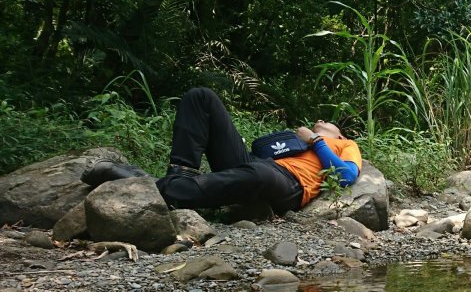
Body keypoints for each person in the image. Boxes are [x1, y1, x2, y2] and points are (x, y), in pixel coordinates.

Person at [82, 87, 362, 215]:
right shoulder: (299, 139)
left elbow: (347, 175)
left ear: (339, 134)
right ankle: (179, 175)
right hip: (255, 164)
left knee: (258, 175)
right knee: (201, 97)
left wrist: (316, 139)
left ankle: (153, 187)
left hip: (289, 183)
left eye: (327, 122)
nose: (321, 121)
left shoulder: (345, 145)